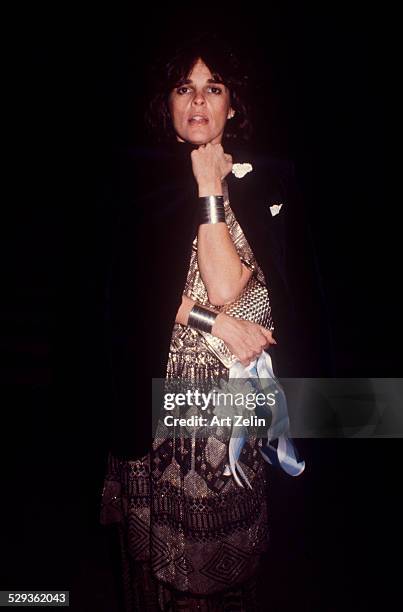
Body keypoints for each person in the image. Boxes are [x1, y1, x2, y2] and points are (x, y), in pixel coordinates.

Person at [99, 34, 325, 611]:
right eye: (184, 87)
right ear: (168, 102)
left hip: (230, 413)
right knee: (152, 567)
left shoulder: (266, 181)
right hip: (158, 406)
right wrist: (215, 322)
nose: (198, 102)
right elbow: (124, 298)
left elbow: (231, 289)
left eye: (213, 88)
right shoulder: (135, 185)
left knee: (222, 573)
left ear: (232, 104)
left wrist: (209, 186)